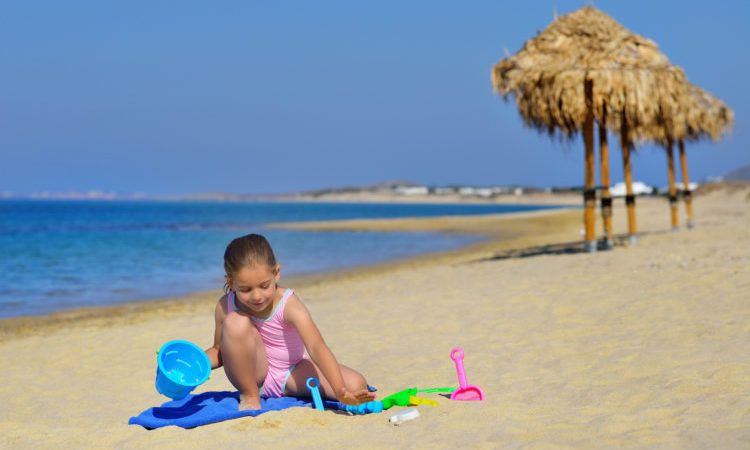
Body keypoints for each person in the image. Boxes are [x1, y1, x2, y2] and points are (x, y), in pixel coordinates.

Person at [205, 233, 376, 410]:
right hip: (253, 375)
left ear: (276, 273)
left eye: (264, 286)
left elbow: (316, 346)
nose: (256, 296)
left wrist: (340, 390)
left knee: (356, 385)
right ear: (231, 282)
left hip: (291, 371)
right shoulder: (225, 305)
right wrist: (196, 367)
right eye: (245, 289)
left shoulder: (289, 304)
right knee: (235, 322)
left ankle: (291, 390)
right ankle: (250, 395)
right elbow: (219, 350)